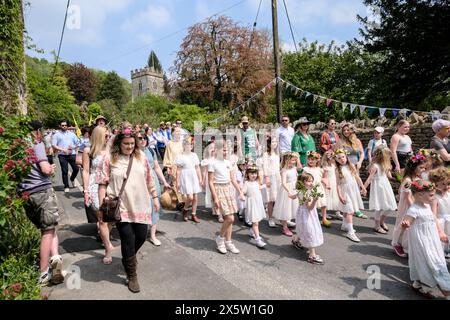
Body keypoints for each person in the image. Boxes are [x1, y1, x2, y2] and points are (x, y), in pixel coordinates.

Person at [98, 129, 160, 293]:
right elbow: (102, 182)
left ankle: (128, 258)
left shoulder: (142, 158)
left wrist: (155, 197)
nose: (130, 146)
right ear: (119, 143)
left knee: (140, 236)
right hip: (121, 206)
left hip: (141, 205)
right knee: (127, 238)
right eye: (126, 143)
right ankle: (132, 275)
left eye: (132, 143)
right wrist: (101, 202)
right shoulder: (109, 158)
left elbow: (149, 179)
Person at [17, 120, 64, 286]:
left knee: (48, 228)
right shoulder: (36, 145)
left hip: (25, 194)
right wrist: (51, 168)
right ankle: (44, 273)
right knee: (48, 231)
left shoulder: (15, 149)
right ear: (37, 132)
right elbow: (45, 169)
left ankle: (55, 257)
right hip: (42, 191)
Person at [401, 179, 450, 299]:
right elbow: (406, 222)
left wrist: (440, 233)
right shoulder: (414, 209)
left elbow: (433, 219)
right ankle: (447, 291)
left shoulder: (427, 205)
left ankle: (417, 284)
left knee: (432, 263)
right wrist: (405, 224)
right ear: (420, 195)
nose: (434, 197)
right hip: (423, 243)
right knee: (434, 265)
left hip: (432, 241)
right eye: (431, 195)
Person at [82, 126, 114, 264]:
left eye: (109, 135)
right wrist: (86, 191)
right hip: (95, 186)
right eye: (106, 136)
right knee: (102, 218)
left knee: (112, 217)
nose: (108, 138)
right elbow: (85, 171)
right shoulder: (88, 151)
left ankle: (106, 237)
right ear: (98, 136)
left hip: (111, 185)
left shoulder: (112, 150)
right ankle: (107, 248)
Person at [209, 140, 245, 254]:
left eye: (226, 150)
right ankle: (220, 239)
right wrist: (215, 197)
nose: (225, 152)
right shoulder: (212, 163)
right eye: (223, 150)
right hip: (219, 190)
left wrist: (240, 192)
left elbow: (233, 179)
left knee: (229, 219)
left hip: (229, 189)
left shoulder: (228, 163)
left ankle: (228, 242)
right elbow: (210, 182)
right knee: (230, 218)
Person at [391, 153, 427, 258]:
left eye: (424, 167)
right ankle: (396, 243)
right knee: (402, 224)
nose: (423, 169)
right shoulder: (408, 180)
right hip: (408, 206)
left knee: (409, 227)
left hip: (414, 204)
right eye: (421, 167)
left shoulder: (418, 178)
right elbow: (407, 196)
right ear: (413, 167)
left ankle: (406, 244)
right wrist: (415, 208)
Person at [138, 132, 170, 246]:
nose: (142, 140)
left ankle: (152, 235)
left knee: (155, 208)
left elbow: (156, 167)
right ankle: (140, 232)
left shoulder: (151, 151)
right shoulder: (133, 153)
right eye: (139, 138)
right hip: (140, 182)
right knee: (141, 206)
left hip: (153, 181)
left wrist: (164, 182)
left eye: (144, 138)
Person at [335, 148, 367, 243]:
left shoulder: (351, 165)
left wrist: (363, 187)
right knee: (350, 211)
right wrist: (340, 196)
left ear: (346, 157)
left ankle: (345, 225)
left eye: (343, 157)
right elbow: (337, 184)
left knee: (347, 210)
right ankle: (350, 232)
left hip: (353, 190)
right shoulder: (337, 170)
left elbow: (357, 177)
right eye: (339, 158)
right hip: (345, 191)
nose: (342, 159)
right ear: (336, 160)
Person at [363, 147, 398, 234]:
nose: (390, 157)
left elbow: (389, 176)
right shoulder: (375, 166)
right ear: (384, 157)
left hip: (386, 186)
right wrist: (363, 188)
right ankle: (376, 225)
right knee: (379, 207)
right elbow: (369, 178)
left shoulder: (386, 165)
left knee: (390, 206)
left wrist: (396, 177)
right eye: (389, 156)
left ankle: (381, 221)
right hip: (378, 187)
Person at [294, 173, 325, 265]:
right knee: (310, 231)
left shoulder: (301, 191)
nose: (311, 183)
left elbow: (294, 196)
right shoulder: (306, 194)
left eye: (312, 181)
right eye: (308, 181)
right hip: (307, 215)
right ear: (303, 183)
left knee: (303, 229)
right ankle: (312, 255)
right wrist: (315, 200)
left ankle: (296, 240)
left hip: (301, 213)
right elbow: (310, 208)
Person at [176, 137, 203, 223]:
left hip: (193, 176)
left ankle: (194, 214)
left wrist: (200, 179)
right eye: (187, 145)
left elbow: (198, 168)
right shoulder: (180, 156)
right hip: (185, 177)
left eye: (191, 145)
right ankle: (185, 209)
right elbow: (178, 170)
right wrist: (177, 181)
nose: (189, 146)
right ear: (184, 146)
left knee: (195, 196)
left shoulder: (194, 155)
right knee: (190, 197)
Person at [273, 152, 299, 237]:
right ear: (287, 160)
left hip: (294, 188)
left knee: (294, 207)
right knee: (285, 208)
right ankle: (285, 227)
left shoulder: (294, 168)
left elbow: (297, 176)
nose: (294, 162)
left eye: (295, 160)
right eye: (293, 160)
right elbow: (283, 183)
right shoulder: (284, 170)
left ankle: (289, 222)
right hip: (286, 190)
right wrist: (289, 191)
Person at [303, 151, 331, 227]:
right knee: (311, 204)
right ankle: (310, 218)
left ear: (317, 160)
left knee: (323, 204)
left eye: (313, 159)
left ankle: (324, 218)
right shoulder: (306, 169)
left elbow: (323, 178)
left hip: (319, 187)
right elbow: (303, 179)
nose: (310, 161)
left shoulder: (320, 169)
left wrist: (327, 184)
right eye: (309, 159)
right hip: (309, 188)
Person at [52, 120, 80, 193]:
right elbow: (54, 145)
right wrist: (63, 149)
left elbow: (77, 143)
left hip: (72, 154)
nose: (64, 126)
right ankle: (66, 186)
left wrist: (73, 148)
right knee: (64, 171)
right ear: (60, 126)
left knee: (76, 169)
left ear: (67, 126)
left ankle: (72, 178)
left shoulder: (72, 134)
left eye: (65, 125)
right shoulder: (56, 135)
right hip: (62, 155)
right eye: (62, 125)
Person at [243, 164, 267, 248]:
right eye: (252, 173)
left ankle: (251, 231)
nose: (254, 175)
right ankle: (258, 240)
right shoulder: (246, 183)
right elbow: (243, 191)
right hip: (252, 205)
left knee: (256, 220)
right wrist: (242, 195)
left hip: (258, 204)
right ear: (247, 174)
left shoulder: (256, 182)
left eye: (255, 173)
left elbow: (258, 187)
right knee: (255, 222)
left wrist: (265, 186)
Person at [429, 167, 450, 258]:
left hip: (449, 220)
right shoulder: (435, 197)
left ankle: (447, 251)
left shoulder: (448, 194)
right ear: (435, 184)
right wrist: (439, 230)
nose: (446, 186)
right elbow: (433, 214)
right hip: (440, 222)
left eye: (448, 183)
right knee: (440, 240)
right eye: (443, 184)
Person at [262, 137, 281, 228]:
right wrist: (267, 178)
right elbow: (265, 166)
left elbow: (278, 167)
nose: (274, 143)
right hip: (270, 176)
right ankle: (270, 218)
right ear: (269, 143)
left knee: (278, 199)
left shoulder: (277, 154)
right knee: (270, 199)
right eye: (273, 142)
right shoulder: (266, 154)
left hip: (277, 177)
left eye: (276, 142)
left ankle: (281, 218)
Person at [321, 150, 343, 220]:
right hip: (329, 183)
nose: (333, 160)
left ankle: (338, 212)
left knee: (337, 197)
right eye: (332, 159)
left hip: (335, 182)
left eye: (333, 159)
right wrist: (327, 185)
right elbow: (325, 177)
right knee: (328, 198)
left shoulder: (334, 166)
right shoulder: (325, 167)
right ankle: (324, 213)